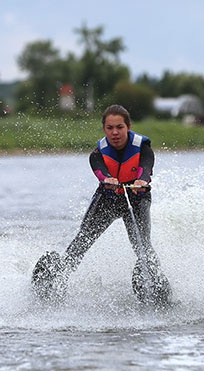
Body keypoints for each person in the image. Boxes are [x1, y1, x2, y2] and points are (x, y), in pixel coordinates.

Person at [32, 104, 171, 307]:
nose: (115, 132)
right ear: (104, 129)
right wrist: (107, 178)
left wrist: (142, 180)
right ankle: (55, 279)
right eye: (110, 128)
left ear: (128, 127)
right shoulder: (97, 154)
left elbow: (146, 167)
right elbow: (99, 170)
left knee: (143, 246)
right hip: (108, 198)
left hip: (136, 198)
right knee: (81, 242)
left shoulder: (143, 148)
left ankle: (155, 284)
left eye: (120, 127)